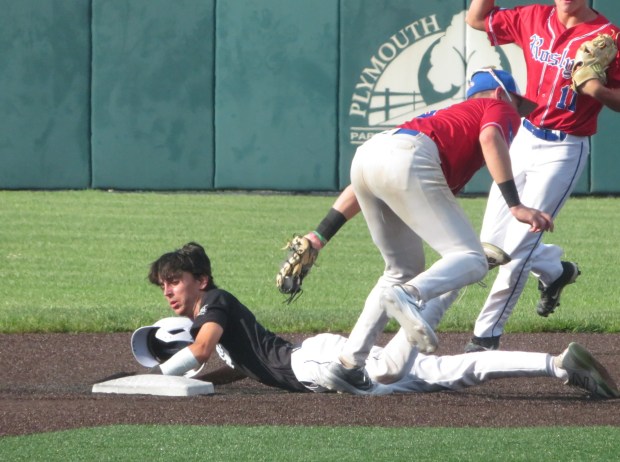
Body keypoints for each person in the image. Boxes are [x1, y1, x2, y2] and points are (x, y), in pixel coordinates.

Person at [318, 67, 558, 392]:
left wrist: (319, 234)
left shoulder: (448, 116)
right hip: (409, 157)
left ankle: (348, 364)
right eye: (518, 103)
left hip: (368, 158)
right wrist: (515, 205)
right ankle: (409, 295)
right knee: (472, 259)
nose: (519, 113)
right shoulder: (498, 106)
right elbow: (491, 137)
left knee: (400, 269)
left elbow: (369, 173)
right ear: (502, 93)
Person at [134, 242, 619, 398]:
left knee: (398, 369)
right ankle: (557, 364)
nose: (168, 289)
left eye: (174, 280)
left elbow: (198, 351)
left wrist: (154, 378)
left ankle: (438, 283)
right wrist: (213, 384)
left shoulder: (212, 306)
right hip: (318, 363)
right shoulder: (214, 313)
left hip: (319, 365)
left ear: (200, 279)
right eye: (163, 285)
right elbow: (236, 362)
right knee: (444, 372)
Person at [463, 0, 620, 352]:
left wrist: (599, 91)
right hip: (523, 136)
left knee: (517, 251)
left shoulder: (609, 36)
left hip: (564, 149)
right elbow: (476, 18)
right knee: (490, 247)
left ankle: (485, 336)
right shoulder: (533, 17)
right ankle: (555, 269)